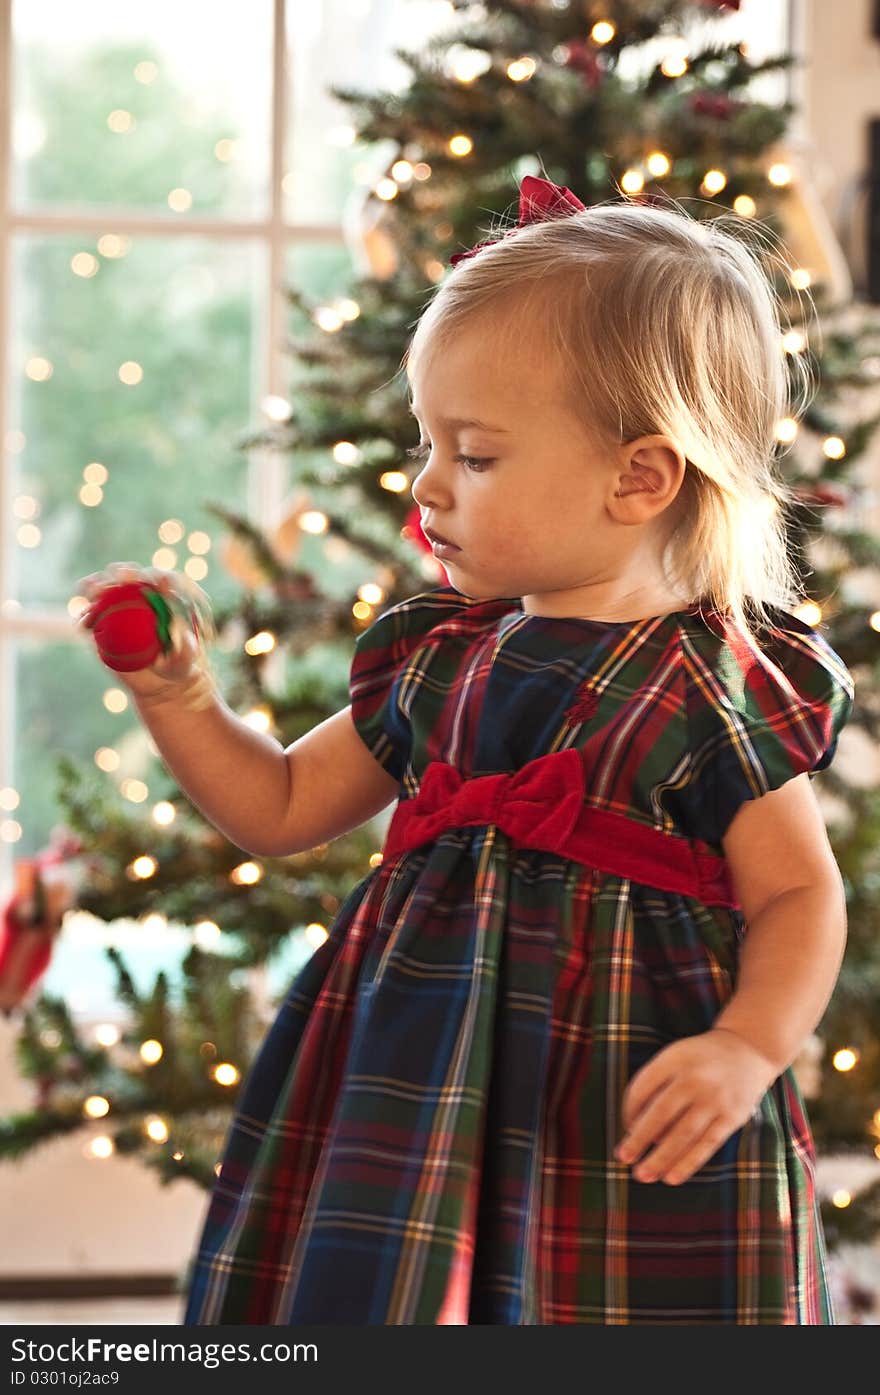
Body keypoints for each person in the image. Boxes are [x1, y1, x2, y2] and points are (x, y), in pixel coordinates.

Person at [77, 176, 856, 1324]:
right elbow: (283, 806)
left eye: (474, 457)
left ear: (638, 476)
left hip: (621, 1104)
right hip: (415, 1095)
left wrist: (747, 1047)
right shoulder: (442, 661)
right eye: (427, 444)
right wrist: (181, 699)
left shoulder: (705, 684)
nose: (426, 485)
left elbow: (799, 893)